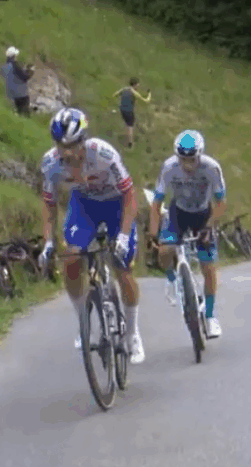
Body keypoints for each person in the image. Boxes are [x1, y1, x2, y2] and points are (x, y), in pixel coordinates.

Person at [39, 108, 142, 362]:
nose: (67, 153)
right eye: (61, 146)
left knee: (123, 269)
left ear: (83, 139)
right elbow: (49, 204)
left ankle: (132, 333)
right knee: (71, 258)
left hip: (116, 204)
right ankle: (84, 323)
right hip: (85, 206)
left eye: (72, 146)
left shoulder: (104, 154)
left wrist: (124, 235)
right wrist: (48, 242)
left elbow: (130, 194)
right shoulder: (50, 163)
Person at [147, 130, 227, 336]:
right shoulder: (169, 167)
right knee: (165, 250)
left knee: (208, 267)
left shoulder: (211, 167)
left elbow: (221, 203)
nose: (188, 165)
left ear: (199, 155)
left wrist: (209, 227)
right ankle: (171, 279)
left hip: (203, 215)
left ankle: (210, 316)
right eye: (183, 160)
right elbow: (156, 203)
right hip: (178, 213)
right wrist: (153, 234)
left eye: (192, 160)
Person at [112, 78, 152, 149]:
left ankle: (128, 136)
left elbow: (115, 94)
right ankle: (130, 143)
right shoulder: (134, 92)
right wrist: (149, 94)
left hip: (122, 109)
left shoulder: (124, 89)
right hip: (129, 111)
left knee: (128, 124)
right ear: (135, 85)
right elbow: (146, 101)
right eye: (138, 84)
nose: (139, 85)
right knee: (130, 126)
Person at [0, 46, 34, 116]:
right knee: (25, 114)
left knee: (18, 112)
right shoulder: (15, 65)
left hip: (10, 94)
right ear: (14, 56)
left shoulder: (4, 67)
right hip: (21, 94)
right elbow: (25, 77)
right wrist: (31, 71)